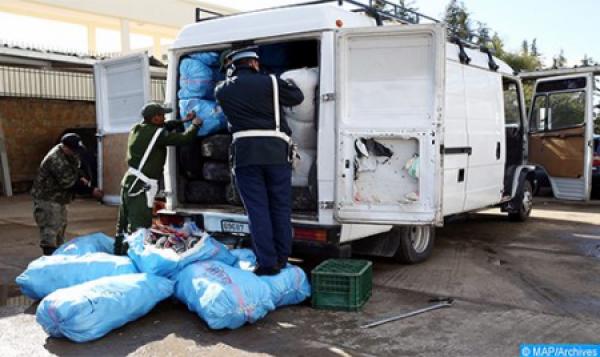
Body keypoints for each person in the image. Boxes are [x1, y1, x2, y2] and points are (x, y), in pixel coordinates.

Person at [215, 47, 304, 276]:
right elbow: (297, 97)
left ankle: (267, 263)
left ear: (233, 66)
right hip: (276, 153)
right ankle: (283, 258)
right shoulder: (272, 83)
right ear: (254, 63)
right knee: (280, 208)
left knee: (257, 211)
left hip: (245, 155)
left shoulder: (222, 90)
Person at [116, 102, 203, 238]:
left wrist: (183, 121)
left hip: (130, 182)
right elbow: (185, 139)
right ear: (154, 118)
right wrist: (195, 126)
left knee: (123, 224)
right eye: (162, 115)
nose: (164, 118)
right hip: (140, 187)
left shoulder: (138, 129)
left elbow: (165, 126)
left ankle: (121, 254)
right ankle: (138, 255)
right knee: (140, 227)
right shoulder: (157, 134)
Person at [31, 133, 103, 255]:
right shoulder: (56, 159)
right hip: (48, 199)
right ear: (64, 147)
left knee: (60, 229)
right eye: (73, 150)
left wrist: (82, 177)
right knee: (51, 230)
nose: (76, 152)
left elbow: (76, 168)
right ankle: (49, 259)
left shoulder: (70, 153)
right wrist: (91, 191)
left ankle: (59, 258)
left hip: (59, 199)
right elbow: (69, 183)